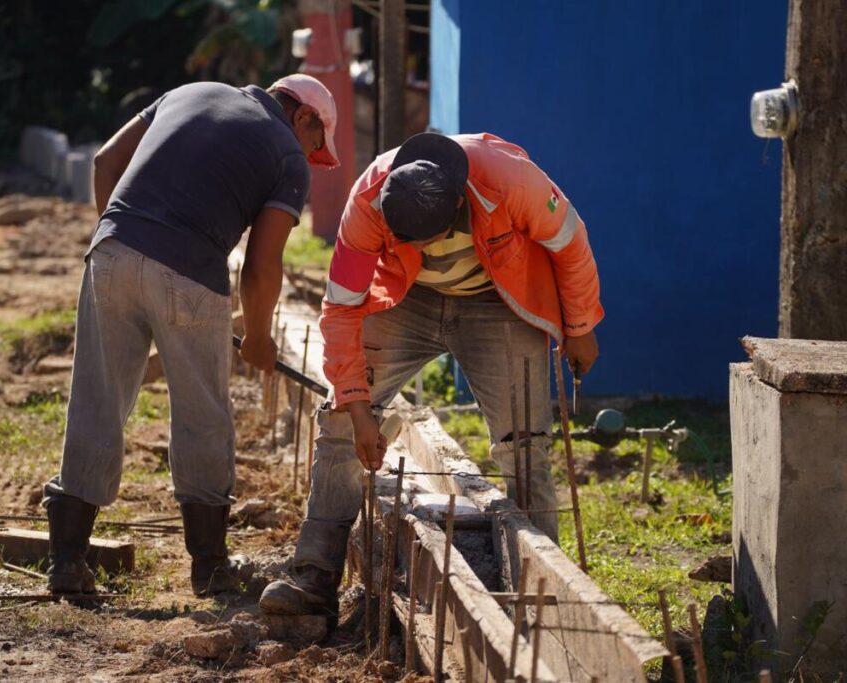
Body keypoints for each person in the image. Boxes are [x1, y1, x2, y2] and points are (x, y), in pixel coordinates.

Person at [259, 132, 603, 619]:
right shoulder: (368, 201)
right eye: (410, 241)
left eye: (431, 238)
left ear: (459, 205)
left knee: (523, 443)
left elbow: (570, 243)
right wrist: (358, 409)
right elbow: (340, 309)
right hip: (407, 301)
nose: (423, 246)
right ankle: (313, 579)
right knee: (338, 422)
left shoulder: (510, 181)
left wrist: (580, 325)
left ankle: (541, 601)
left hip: (495, 300)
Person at [42, 75, 340, 597]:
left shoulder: (189, 91)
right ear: (303, 118)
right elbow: (263, 263)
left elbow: (104, 163)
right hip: (191, 275)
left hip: (110, 251)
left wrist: (125, 245)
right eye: (316, 143)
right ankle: (210, 567)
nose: (311, 155)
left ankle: (67, 562)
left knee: (97, 400)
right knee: (203, 416)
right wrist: (259, 337)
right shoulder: (286, 155)